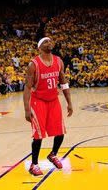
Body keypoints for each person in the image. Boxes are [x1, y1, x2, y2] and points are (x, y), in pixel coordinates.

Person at [23, 37, 73, 177]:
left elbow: (63, 83)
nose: (49, 43)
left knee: (60, 132)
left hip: (53, 101)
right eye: (45, 42)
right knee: (38, 136)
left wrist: (69, 102)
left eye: (50, 41)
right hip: (38, 101)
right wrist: (27, 109)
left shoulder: (58, 61)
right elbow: (27, 87)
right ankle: (34, 165)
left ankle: (53, 154)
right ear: (39, 47)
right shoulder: (33, 64)